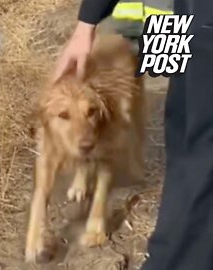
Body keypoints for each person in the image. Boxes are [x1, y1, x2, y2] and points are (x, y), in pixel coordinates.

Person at [54, 1, 213, 270]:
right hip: (171, 24)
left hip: (170, 25)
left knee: (193, 147)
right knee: (182, 134)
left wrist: (86, 24)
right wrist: (87, 24)